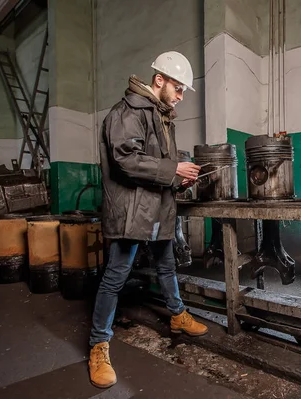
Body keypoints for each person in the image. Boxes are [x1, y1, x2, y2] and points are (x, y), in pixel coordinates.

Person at [88, 51, 208, 389]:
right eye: (179, 89)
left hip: (156, 208)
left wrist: (178, 178)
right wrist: (173, 169)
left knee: (166, 265)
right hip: (132, 210)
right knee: (115, 276)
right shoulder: (126, 113)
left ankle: (177, 315)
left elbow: (154, 166)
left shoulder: (160, 115)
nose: (181, 97)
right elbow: (125, 160)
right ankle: (99, 343)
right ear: (159, 81)